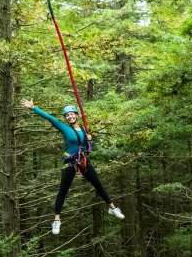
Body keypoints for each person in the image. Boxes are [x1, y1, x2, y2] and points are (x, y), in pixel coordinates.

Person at [21, 99, 124, 234]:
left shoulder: (84, 129)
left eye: (72, 114)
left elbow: (88, 148)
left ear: (76, 115)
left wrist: (89, 140)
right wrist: (34, 108)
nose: (70, 116)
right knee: (63, 191)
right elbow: (50, 118)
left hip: (83, 161)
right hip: (70, 162)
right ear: (66, 118)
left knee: (98, 184)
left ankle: (112, 207)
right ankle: (56, 220)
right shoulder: (64, 128)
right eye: (67, 115)